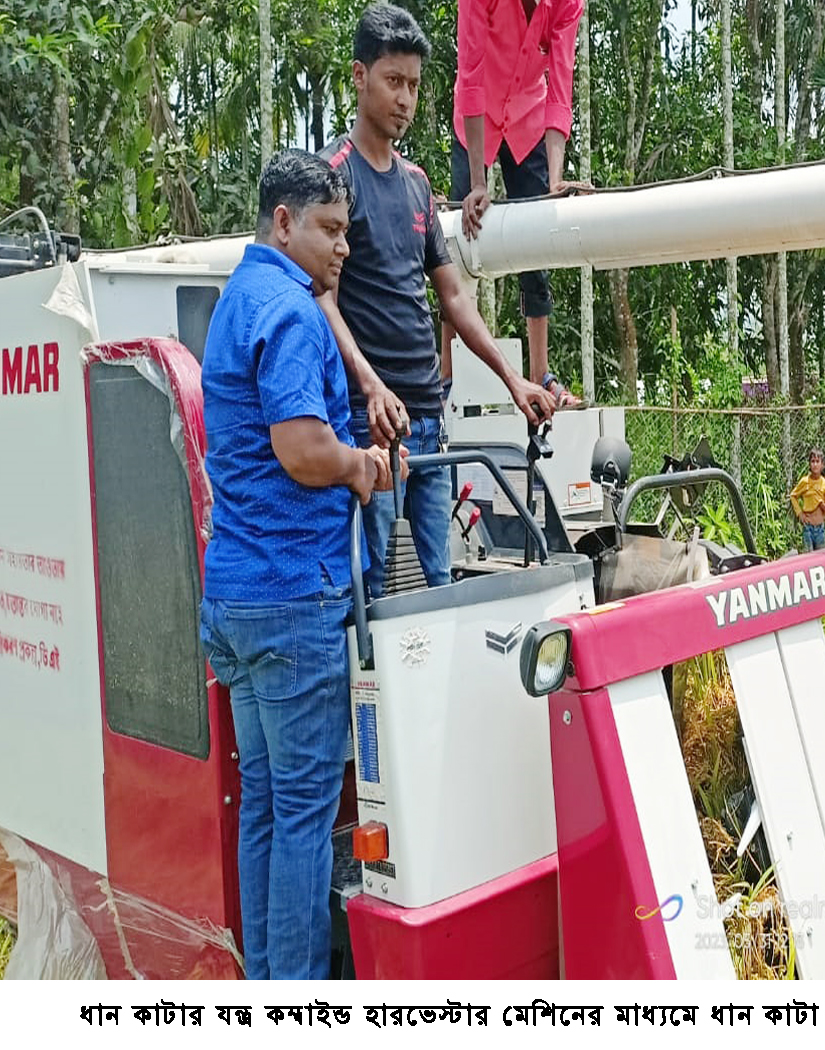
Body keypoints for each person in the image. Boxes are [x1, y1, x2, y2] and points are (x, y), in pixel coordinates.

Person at [200, 150, 402, 980]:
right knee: (308, 817)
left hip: (237, 600)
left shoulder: (235, 299)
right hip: (294, 599)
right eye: (328, 229)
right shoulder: (288, 309)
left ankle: (263, 987)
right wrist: (364, 465)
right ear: (283, 222)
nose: (343, 246)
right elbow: (301, 447)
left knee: (267, 808)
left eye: (347, 230)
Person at [318, 5, 554, 599]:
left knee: (440, 585)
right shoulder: (332, 179)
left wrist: (513, 379)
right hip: (365, 423)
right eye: (392, 81)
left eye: (415, 86)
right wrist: (370, 386)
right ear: (359, 75)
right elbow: (325, 299)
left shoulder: (418, 184)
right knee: (373, 587)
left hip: (427, 417)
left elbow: (452, 296)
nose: (404, 99)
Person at [449, 0, 587, 407]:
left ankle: (540, 374)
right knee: (457, 242)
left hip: (528, 119)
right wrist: (478, 181)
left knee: (537, 246)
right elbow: (470, 74)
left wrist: (556, 180)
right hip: (476, 119)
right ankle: (447, 376)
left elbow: (561, 82)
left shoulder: (567, 4)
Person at [789, 448, 825, 551]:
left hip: (820, 528)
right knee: (808, 555)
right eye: (812, 461)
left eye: (817, 461)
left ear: (822, 464)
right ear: (809, 464)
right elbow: (793, 496)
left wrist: (820, 503)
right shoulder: (805, 482)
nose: (815, 464)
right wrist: (800, 513)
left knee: (820, 555)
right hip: (808, 527)